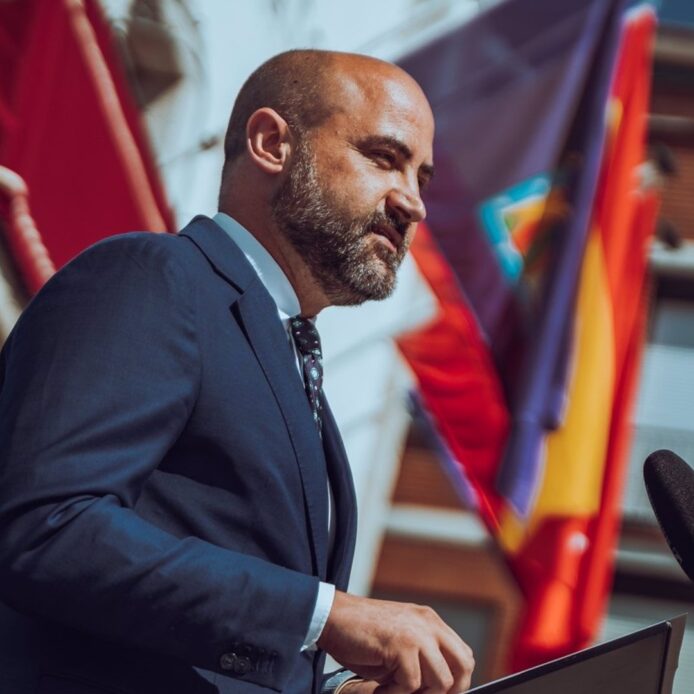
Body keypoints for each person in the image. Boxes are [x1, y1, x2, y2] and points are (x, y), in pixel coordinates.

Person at [0, 50, 474, 694]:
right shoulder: (156, 278)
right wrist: (328, 614)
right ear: (272, 142)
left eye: (423, 176)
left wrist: (329, 689)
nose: (413, 203)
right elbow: (45, 526)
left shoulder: (292, 363)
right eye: (384, 157)